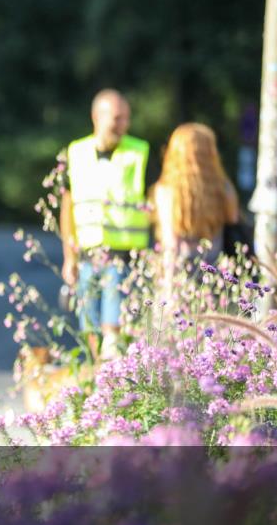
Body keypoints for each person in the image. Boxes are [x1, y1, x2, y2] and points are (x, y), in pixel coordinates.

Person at [59, 89, 151, 359]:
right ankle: (94, 383)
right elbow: (68, 208)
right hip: (87, 259)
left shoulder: (139, 152)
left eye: (126, 119)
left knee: (113, 332)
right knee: (89, 329)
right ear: (96, 117)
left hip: (122, 259)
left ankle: (109, 383)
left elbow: (156, 200)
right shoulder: (76, 153)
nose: (123, 125)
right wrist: (69, 257)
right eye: (117, 118)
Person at [149, 123, 240, 295]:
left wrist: (168, 289)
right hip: (217, 275)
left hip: (181, 275)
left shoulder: (167, 190)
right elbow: (233, 221)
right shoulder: (224, 188)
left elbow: (171, 243)